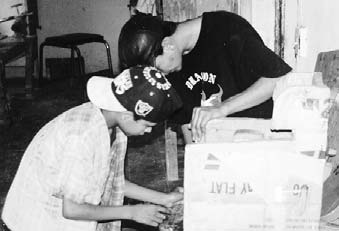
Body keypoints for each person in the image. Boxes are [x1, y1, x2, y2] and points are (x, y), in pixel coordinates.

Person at [1, 65, 183, 231]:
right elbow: (72, 209)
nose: (149, 130)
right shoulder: (83, 136)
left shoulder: (113, 120)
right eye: (147, 125)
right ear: (128, 115)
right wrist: (132, 212)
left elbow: (110, 180)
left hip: (62, 215)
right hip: (36, 222)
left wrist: (163, 199)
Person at [118, 10, 293, 143]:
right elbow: (187, 123)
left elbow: (279, 77)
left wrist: (222, 109)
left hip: (260, 138)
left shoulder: (225, 27)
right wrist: (195, 164)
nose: (160, 76)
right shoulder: (172, 65)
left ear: (167, 45)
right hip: (219, 146)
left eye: (157, 68)